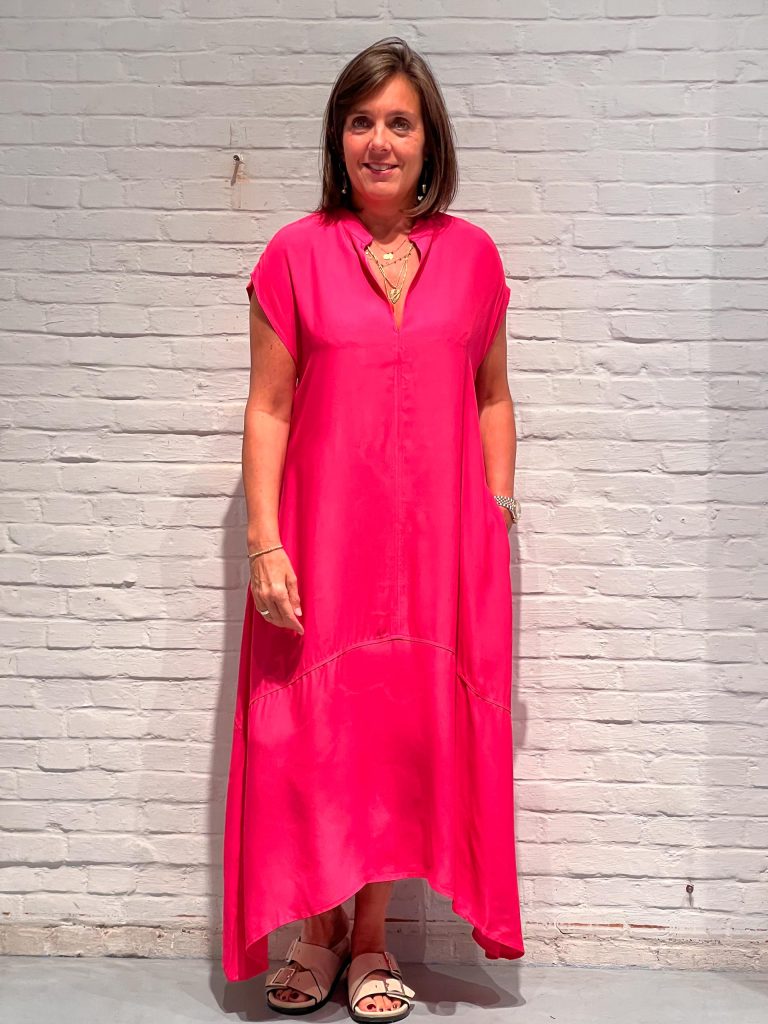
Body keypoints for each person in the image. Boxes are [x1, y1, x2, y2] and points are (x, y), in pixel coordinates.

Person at [222, 36, 524, 1021]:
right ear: (337, 138)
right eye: (362, 122)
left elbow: (492, 395)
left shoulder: (474, 258)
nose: (380, 142)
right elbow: (269, 407)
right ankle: (314, 933)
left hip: (436, 549)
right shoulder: (294, 254)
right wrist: (265, 539)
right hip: (322, 535)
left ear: (430, 140)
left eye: (400, 122)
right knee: (315, 732)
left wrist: (496, 509)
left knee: (398, 733)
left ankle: (370, 940)